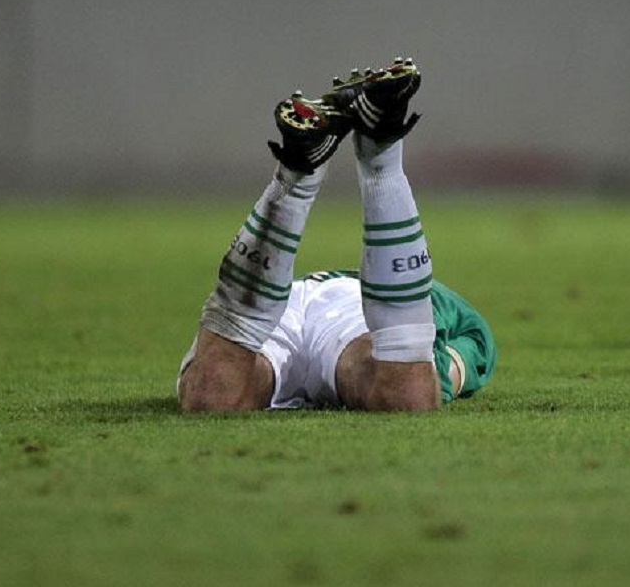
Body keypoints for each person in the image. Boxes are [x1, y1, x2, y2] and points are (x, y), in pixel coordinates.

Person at [177, 58, 496, 412]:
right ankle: (379, 150)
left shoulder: (462, 323)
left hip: (289, 303)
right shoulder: (472, 332)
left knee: (211, 397)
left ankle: (303, 170)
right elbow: (444, 359)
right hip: (346, 305)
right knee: (406, 398)